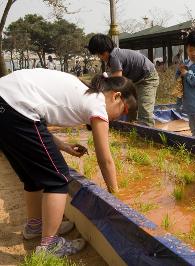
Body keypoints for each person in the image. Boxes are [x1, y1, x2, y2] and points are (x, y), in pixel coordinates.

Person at [0, 68, 137, 257]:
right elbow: (105, 159)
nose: (118, 117)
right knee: (58, 178)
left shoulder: (83, 92)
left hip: (7, 103)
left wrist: (64, 147)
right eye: (124, 110)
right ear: (116, 96)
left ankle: (35, 226)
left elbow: (38, 125)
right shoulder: (97, 103)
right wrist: (117, 196)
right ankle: (49, 246)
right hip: (17, 106)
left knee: (33, 176)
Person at [87, 34, 159, 127]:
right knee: (131, 103)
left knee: (144, 106)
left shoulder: (114, 57)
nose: (99, 57)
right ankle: (132, 124)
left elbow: (117, 83)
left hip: (147, 78)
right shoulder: (113, 56)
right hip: (136, 79)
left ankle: (147, 129)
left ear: (102, 52)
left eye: (98, 55)